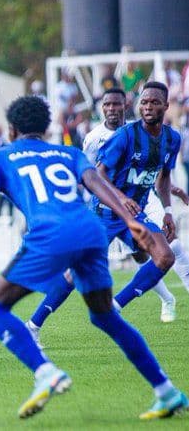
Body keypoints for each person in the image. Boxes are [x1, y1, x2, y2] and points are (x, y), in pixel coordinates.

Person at [0, 95, 188, 420]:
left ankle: (44, 371)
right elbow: (97, 183)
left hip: (50, 234)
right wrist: (130, 219)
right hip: (90, 230)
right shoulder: (69, 153)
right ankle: (166, 390)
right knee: (104, 316)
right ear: (46, 128)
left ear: (13, 128)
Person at [26, 88, 182, 338]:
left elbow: (163, 178)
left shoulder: (172, 139)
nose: (149, 106)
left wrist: (167, 211)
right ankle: (33, 326)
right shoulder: (124, 136)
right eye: (145, 102)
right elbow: (97, 175)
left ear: (166, 106)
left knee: (164, 256)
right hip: (104, 213)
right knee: (75, 273)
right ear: (139, 106)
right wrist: (120, 198)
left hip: (133, 215)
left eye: (155, 102)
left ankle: (116, 307)